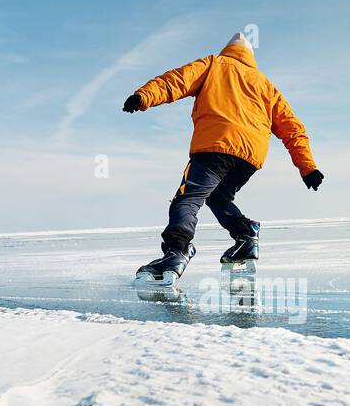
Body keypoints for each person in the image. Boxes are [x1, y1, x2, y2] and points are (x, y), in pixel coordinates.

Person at [123, 31, 323, 283]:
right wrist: (308, 168)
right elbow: (292, 128)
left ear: (228, 49)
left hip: (216, 146)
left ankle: (176, 252)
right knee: (218, 197)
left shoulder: (213, 65)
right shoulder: (265, 85)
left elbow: (176, 81)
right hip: (250, 156)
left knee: (188, 198)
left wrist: (143, 97)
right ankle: (246, 234)